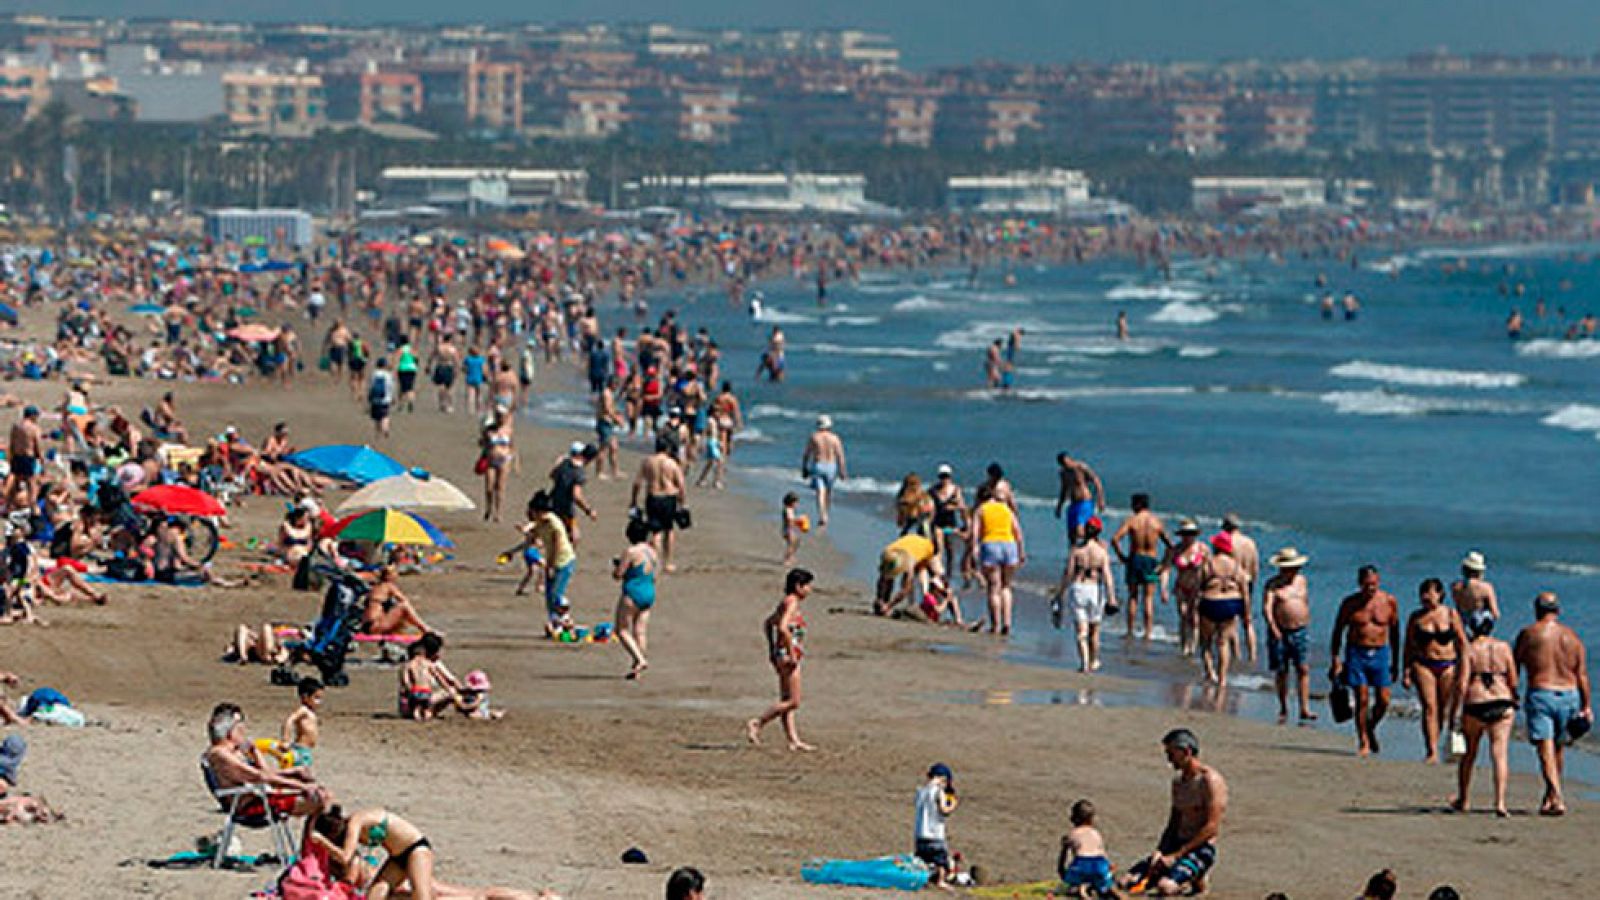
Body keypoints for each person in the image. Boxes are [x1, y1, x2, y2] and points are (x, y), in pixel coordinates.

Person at [1119, 729, 1227, 897]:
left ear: (1186, 752)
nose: (1169, 760)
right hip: (1177, 844)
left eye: (1171, 754)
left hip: (1200, 847)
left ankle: (1196, 878)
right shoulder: (1178, 782)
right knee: (1126, 881)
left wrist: (1176, 856)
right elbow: (1173, 823)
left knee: (1165, 887)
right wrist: (1160, 851)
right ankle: (1188, 876)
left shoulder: (1210, 781)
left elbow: (1212, 827)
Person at [1513, 592, 1592, 816]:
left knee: (1545, 748)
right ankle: (1549, 796)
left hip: (1542, 691)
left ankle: (1556, 795)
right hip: (1570, 694)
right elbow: (1582, 675)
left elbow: (1515, 664)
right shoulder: (1572, 637)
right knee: (1556, 748)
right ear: (1557, 611)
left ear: (1537, 610)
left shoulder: (1529, 634)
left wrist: (1512, 691)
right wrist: (1586, 705)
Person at [1451, 610, 1517, 817]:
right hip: (1501, 701)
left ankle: (1464, 798)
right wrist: (1514, 697)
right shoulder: (1504, 647)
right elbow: (1513, 679)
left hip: (1476, 703)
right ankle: (1500, 802)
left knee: (1469, 754)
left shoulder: (1468, 649)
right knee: (1499, 754)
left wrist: (1456, 711)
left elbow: (1462, 683)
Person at [1330, 565, 1401, 757]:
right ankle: (1363, 740)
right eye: (1367, 584)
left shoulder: (1389, 601)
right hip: (1356, 653)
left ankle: (1370, 726)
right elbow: (1338, 631)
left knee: (1384, 700)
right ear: (1360, 583)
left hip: (1380, 653)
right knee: (1361, 698)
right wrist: (1335, 659)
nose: (1371, 588)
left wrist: (1396, 662)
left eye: (1374, 584)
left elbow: (1395, 633)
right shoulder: (1350, 603)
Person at [202, 703, 318, 817]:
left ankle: (314, 834)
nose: (243, 731)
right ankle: (311, 835)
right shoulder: (221, 754)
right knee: (320, 799)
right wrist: (301, 786)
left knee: (320, 796)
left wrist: (255, 752)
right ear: (229, 731)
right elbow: (260, 777)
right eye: (239, 726)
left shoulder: (234, 751)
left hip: (257, 797)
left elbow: (264, 773)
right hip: (248, 806)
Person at [310, 801, 439, 900]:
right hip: (397, 858)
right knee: (374, 895)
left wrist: (322, 841)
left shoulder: (355, 822)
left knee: (422, 896)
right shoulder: (350, 824)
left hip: (416, 849)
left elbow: (345, 857)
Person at [747, 568, 815, 752]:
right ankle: (758, 722)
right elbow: (783, 627)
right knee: (794, 701)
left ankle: (793, 740)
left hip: (781, 653)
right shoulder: (791, 603)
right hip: (788, 656)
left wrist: (772, 648)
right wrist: (791, 652)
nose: (810, 590)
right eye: (807, 585)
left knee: (786, 699)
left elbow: (769, 623)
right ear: (798, 586)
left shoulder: (786, 602)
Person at [1402, 578, 1465, 764]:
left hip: (1447, 664)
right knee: (1429, 707)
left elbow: (1462, 643)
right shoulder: (1416, 617)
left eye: (1430, 593)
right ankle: (1431, 750)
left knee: (1442, 708)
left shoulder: (1451, 615)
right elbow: (1408, 646)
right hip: (1423, 664)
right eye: (1423, 593)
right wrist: (1406, 671)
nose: (1426, 597)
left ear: (1440, 594)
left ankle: (1437, 740)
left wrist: (1466, 669)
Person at [1050, 516, 1116, 673]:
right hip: (1095, 590)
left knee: (1081, 632)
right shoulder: (1102, 552)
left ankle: (1084, 663)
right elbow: (1107, 576)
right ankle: (1094, 660)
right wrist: (1111, 597)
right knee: (1095, 630)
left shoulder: (1077, 550)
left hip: (1079, 588)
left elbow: (1068, 573)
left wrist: (1060, 593)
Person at [1262, 547, 1316, 724]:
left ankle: (1304, 708)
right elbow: (1267, 609)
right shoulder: (1273, 585)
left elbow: (1305, 601)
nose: (1294, 571)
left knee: (1303, 668)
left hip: (1300, 629)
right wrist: (1273, 627)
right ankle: (1283, 706)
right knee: (1282, 670)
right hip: (1280, 630)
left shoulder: (1302, 581)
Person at [964, 485, 1024, 635]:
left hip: (990, 545)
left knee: (994, 588)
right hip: (1009, 545)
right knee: (1006, 587)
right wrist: (1021, 551)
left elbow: (975, 533)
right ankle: (1007, 622)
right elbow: (1018, 532)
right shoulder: (1005, 508)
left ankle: (996, 625)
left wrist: (973, 552)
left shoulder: (981, 510)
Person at [1111, 493, 1169, 642]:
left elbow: (1115, 539)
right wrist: (1164, 563)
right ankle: (1148, 632)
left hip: (1135, 559)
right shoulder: (1157, 522)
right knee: (1148, 598)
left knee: (1133, 597)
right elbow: (1170, 545)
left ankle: (1130, 630)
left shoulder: (1132, 521)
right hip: (1151, 560)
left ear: (1137, 505)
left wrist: (1121, 556)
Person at [1196, 531, 1250, 686]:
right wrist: (1246, 613)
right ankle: (1222, 679)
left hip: (1211, 602)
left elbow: (1198, 587)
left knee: (1205, 641)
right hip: (1231, 603)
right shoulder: (1236, 566)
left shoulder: (1209, 564)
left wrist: (1193, 608)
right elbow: (1244, 591)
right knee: (1223, 642)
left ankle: (1210, 672)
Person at [524, 492, 577, 637]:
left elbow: (556, 546)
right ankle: (555, 624)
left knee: (556, 595)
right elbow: (533, 533)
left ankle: (565, 623)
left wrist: (551, 566)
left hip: (563, 562)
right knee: (549, 597)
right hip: (553, 562)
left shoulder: (553, 523)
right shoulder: (541, 522)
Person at [630, 436, 686, 573]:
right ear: (667, 448)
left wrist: (633, 500)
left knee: (655, 532)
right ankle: (668, 562)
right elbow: (681, 485)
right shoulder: (671, 463)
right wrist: (682, 502)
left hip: (653, 497)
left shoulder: (648, 462)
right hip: (668, 498)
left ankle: (656, 563)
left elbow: (637, 483)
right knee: (669, 530)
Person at [611, 519, 658, 680]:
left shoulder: (630, 552)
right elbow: (655, 574)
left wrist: (617, 567)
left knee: (621, 629)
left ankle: (640, 659)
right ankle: (636, 668)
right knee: (640, 631)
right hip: (649, 592)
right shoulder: (652, 552)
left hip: (633, 592)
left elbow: (619, 574)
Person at [1163, 520, 1207, 657]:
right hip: (1181, 586)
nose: (1188, 537)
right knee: (1183, 615)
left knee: (1194, 617)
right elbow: (1166, 569)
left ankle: (1192, 647)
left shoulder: (1203, 549)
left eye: (1191, 534)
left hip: (1197, 587)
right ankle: (1184, 645)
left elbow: (1209, 568)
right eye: (1185, 534)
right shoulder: (1175, 550)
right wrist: (1164, 588)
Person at [1220, 513, 1260, 661]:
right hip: (1248, 581)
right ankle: (1252, 655)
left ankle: (1236, 654)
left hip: (1232, 583)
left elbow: (1220, 564)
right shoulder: (1250, 542)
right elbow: (1255, 567)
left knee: (1231, 621)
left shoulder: (1225, 541)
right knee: (1248, 621)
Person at [1057, 799, 1114, 899]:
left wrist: (1062, 873)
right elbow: (1103, 854)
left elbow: (1063, 859)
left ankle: (1080, 888)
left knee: (1075, 874)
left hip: (1082, 864)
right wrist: (1109, 869)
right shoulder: (1096, 833)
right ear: (1091, 819)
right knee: (1102, 880)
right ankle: (1100, 888)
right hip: (1100, 864)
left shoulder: (1072, 834)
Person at [913, 763, 958, 888]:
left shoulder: (921, 791)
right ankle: (940, 881)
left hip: (920, 833)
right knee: (940, 860)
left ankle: (922, 880)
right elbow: (943, 810)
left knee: (922, 860)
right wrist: (952, 805)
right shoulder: (939, 791)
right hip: (935, 834)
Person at [874, 531, 941, 616]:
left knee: (886, 577)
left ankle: (880, 600)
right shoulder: (930, 551)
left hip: (889, 551)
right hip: (906, 557)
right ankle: (887, 606)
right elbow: (922, 568)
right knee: (906, 588)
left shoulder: (915, 537)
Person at [800, 416, 846, 529]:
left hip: (818, 465)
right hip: (831, 466)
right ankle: (826, 513)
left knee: (820, 492)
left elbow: (807, 454)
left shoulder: (814, 437)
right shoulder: (835, 438)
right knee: (828, 492)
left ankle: (822, 515)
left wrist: (804, 467)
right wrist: (842, 470)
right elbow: (840, 455)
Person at [364, 566, 436, 636]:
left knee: (399, 615)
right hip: (375, 625)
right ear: (388, 576)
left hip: (367, 625)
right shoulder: (388, 585)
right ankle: (426, 629)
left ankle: (402, 630)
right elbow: (404, 600)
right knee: (404, 606)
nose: (396, 575)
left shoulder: (376, 587)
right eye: (394, 573)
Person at [1053, 451, 1105, 546]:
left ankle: (1098, 544)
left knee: (1081, 531)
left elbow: (1096, 481)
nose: (1066, 465)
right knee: (1071, 534)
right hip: (1073, 504)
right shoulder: (1063, 473)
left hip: (1084, 502)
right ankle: (1074, 556)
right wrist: (1059, 506)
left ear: (1069, 459)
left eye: (1066, 462)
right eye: (1063, 464)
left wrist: (1100, 499)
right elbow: (1064, 490)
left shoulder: (1080, 467)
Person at [928, 464, 968, 583]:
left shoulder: (955, 490)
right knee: (938, 550)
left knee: (950, 549)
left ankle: (948, 574)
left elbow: (962, 508)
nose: (944, 479)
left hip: (950, 526)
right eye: (942, 476)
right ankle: (940, 574)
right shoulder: (933, 491)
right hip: (937, 525)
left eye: (946, 476)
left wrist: (966, 524)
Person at [478, 406, 517, 523]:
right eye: (498, 415)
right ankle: (488, 509)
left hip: (505, 460)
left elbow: (513, 446)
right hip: (491, 460)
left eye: (502, 416)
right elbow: (482, 444)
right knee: (489, 487)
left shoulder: (508, 430)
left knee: (500, 488)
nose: (500, 418)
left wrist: (515, 462)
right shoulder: (489, 430)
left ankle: (498, 512)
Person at [280, 677, 323, 768]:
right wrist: (285, 740)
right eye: (316, 698)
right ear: (305, 697)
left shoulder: (310, 712)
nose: (319, 702)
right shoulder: (303, 710)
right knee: (302, 773)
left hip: (307, 750)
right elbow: (289, 721)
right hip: (301, 749)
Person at [1451, 551, 1499, 624]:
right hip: (1479, 624)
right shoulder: (1486, 587)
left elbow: (1458, 608)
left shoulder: (1455, 586)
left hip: (1462, 622)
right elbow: (1495, 613)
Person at [368, 358, 397, 439]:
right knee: (385, 415)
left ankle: (377, 433)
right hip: (386, 399)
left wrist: (369, 397)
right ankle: (385, 429)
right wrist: (392, 397)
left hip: (375, 399)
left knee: (377, 418)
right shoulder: (388, 375)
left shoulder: (374, 374)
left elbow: (370, 386)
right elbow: (391, 387)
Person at [779, 492, 803, 567]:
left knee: (797, 542)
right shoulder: (788, 510)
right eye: (795, 503)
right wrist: (799, 520)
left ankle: (790, 556)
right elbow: (790, 520)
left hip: (790, 530)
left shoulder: (790, 509)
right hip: (788, 530)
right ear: (791, 502)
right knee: (791, 545)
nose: (797, 505)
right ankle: (787, 559)